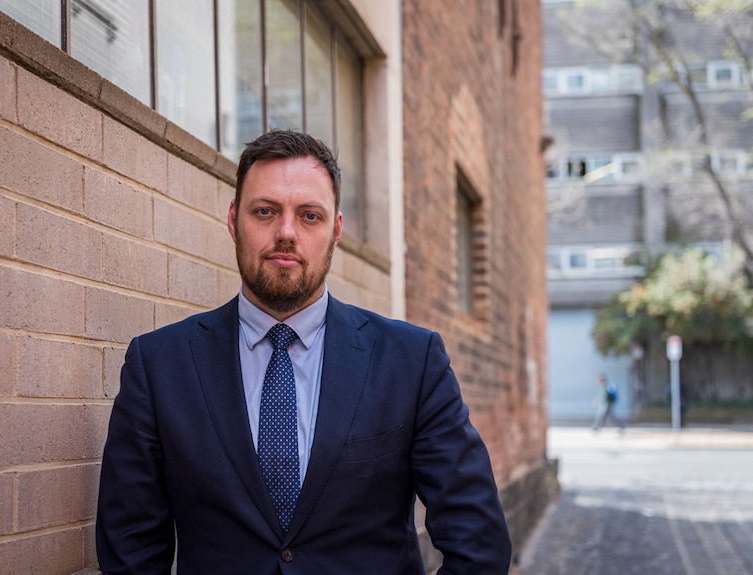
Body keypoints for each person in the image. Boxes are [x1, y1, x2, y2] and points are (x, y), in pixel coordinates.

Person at [95, 129, 512, 574]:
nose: (286, 232)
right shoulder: (158, 366)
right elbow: (130, 551)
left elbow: (479, 543)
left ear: (336, 231)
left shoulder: (412, 362)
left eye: (309, 216)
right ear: (234, 221)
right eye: (265, 211)